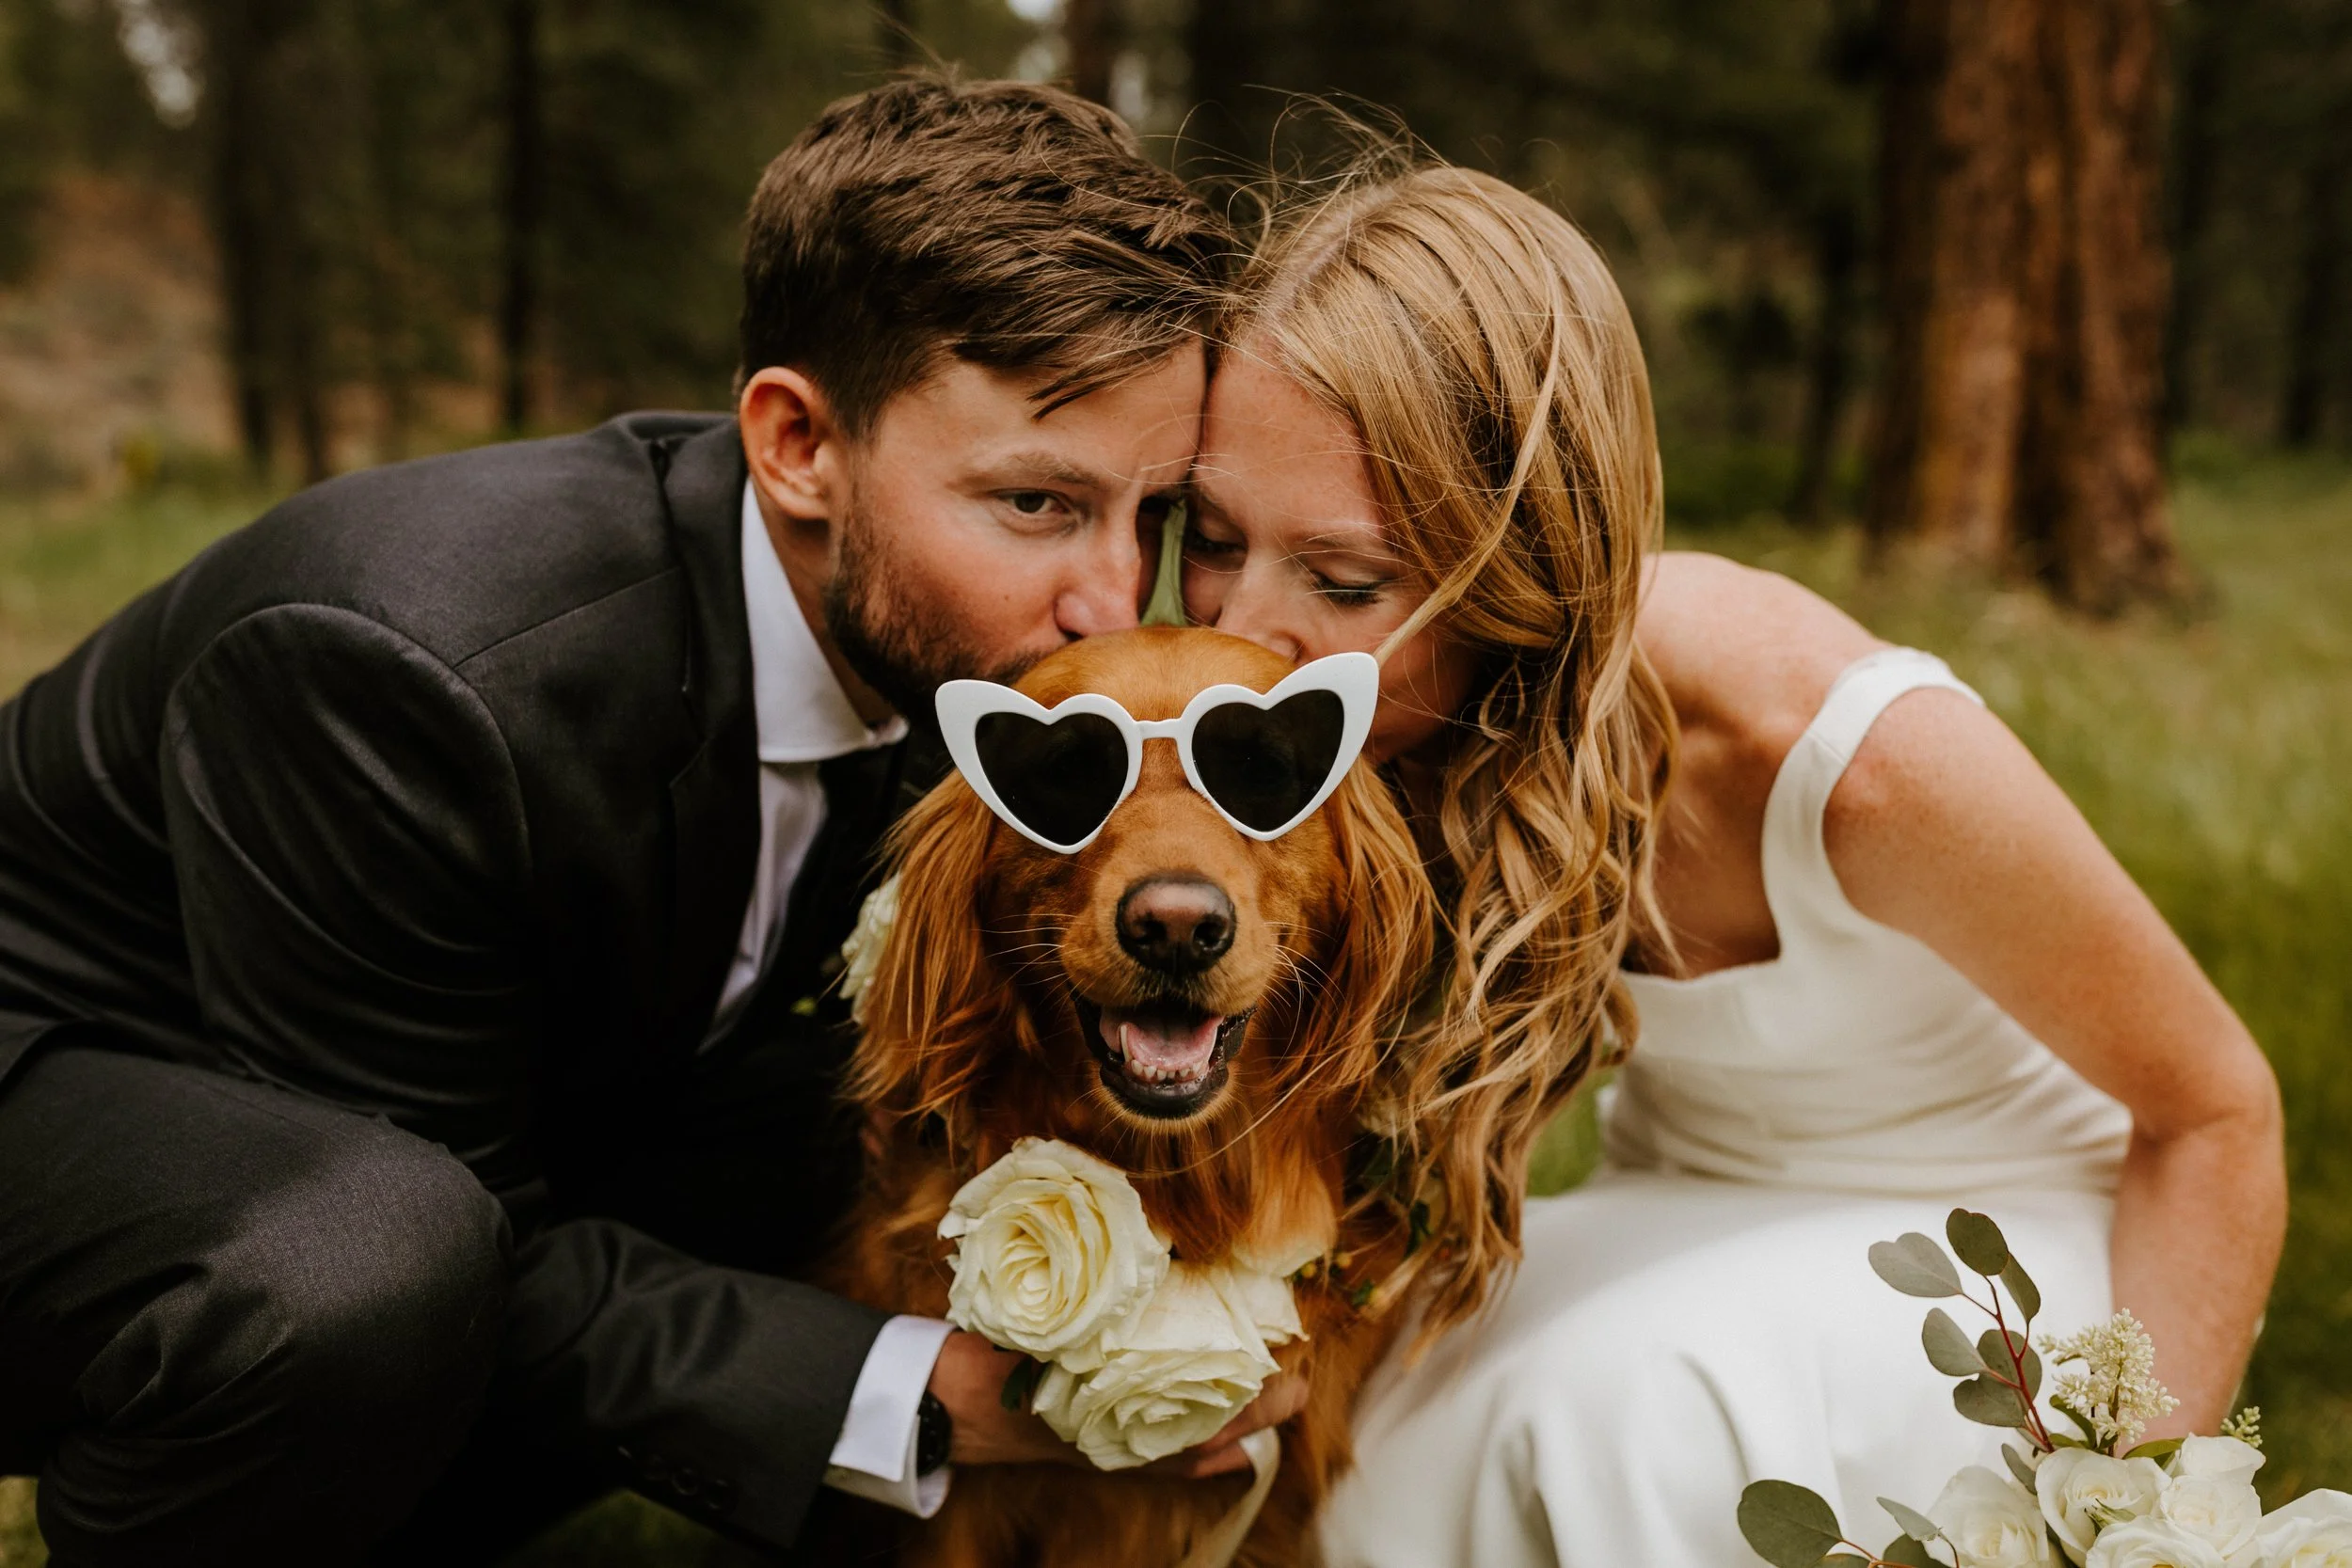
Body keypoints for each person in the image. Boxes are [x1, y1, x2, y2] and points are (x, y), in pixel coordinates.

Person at [0, 76, 1287, 1567]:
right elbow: (452, 1206)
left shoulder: (948, 659)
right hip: (58, 1085)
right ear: (800, 442)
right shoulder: (406, 671)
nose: (1108, 603)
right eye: (1036, 505)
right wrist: (905, 1392)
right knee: (370, 1267)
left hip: (437, 1101)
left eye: (1154, 514)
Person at [1175, 156, 2287, 1565]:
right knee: (1379, 1434)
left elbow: (2215, 1115)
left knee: (1613, 1417)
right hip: (1685, 1195)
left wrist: (2139, 1514)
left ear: (1523, 557)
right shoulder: (1377, 732)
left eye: (1344, 582)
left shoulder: (1836, 753)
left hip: (2007, 1229)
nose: (1246, 638)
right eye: (1213, 543)